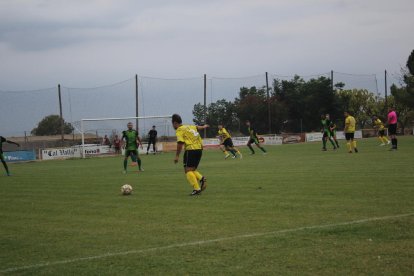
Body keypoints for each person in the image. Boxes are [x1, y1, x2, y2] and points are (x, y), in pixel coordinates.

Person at [172, 114, 208, 196]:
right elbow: (198, 127)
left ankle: (197, 189)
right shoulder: (190, 126)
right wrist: (204, 126)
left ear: (174, 123)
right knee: (192, 169)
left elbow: (180, 143)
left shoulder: (179, 130)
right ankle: (201, 179)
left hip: (191, 150)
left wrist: (177, 156)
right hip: (199, 149)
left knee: (187, 170)